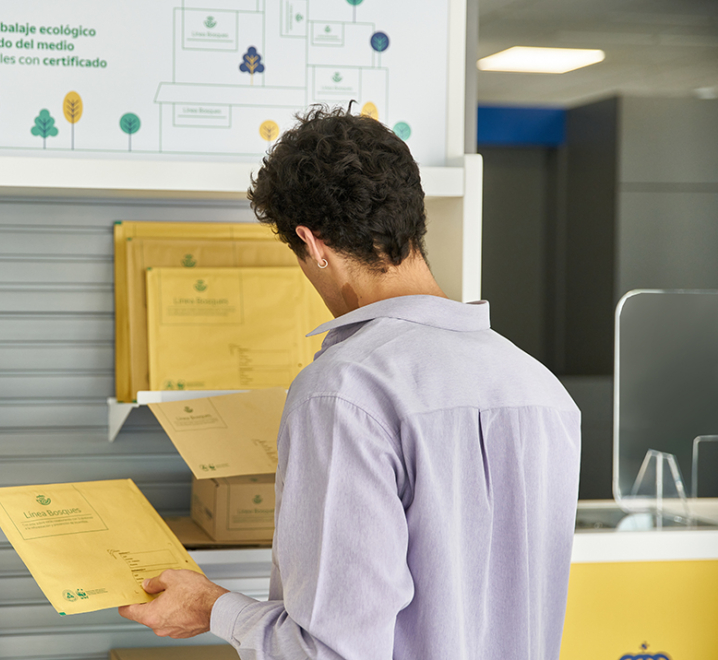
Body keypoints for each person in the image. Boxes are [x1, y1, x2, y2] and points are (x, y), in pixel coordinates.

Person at [119, 106, 581, 659]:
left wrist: (212, 607)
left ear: (312, 245)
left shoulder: (342, 391)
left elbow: (332, 652)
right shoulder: (541, 388)